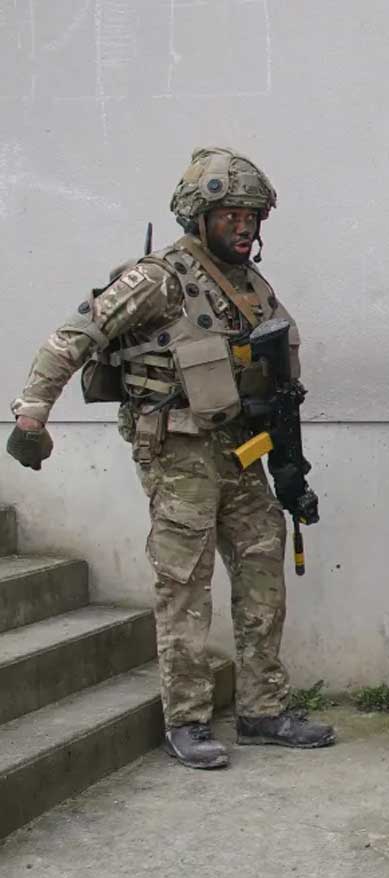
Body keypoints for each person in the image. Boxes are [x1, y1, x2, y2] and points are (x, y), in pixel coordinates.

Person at [6, 147, 335, 769]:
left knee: (263, 576)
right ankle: (187, 719)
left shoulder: (253, 287)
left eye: (252, 216)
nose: (244, 226)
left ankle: (263, 709)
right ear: (199, 217)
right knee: (184, 586)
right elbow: (73, 336)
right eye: (231, 214)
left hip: (243, 454)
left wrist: (289, 464)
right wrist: (31, 414)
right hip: (178, 453)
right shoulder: (159, 279)